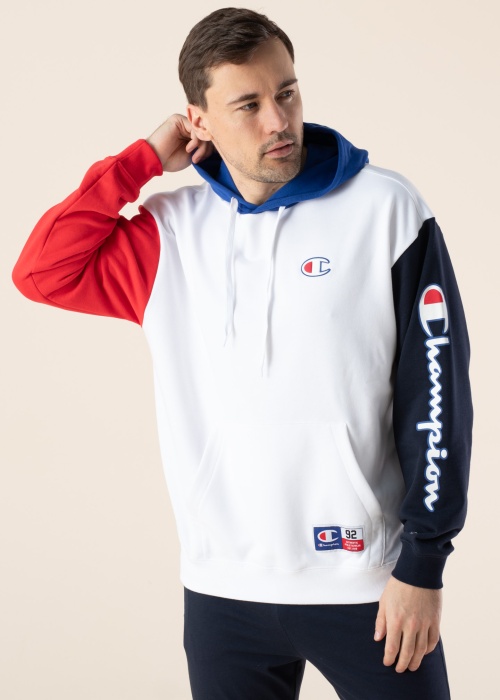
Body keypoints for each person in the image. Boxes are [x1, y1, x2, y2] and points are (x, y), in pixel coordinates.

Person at [13, 7, 472, 699]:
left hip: (369, 585)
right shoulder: (169, 235)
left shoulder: (386, 210)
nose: (278, 121)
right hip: (222, 590)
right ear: (197, 121)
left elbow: (437, 396)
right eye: (248, 105)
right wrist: (141, 162)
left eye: (287, 93)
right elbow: (41, 271)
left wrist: (423, 563)